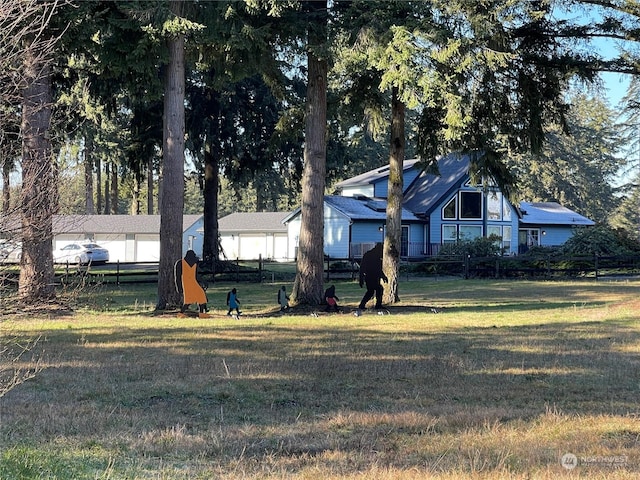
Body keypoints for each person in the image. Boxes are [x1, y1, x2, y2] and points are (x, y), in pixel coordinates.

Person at [174, 250, 209, 317]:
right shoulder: (180, 263)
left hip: (194, 283)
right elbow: (177, 277)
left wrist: (203, 281)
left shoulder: (194, 264)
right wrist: (178, 287)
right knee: (188, 300)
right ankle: (181, 313)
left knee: (201, 296)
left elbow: (196, 276)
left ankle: (201, 313)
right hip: (186, 284)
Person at [357, 243, 388, 314]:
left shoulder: (371, 255)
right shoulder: (372, 255)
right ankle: (376, 305)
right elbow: (363, 268)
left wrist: (383, 276)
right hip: (370, 276)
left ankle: (364, 305)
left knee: (373, 290)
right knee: (376, 290)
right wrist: (361, 278)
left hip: (373, 276)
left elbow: (378, 269)